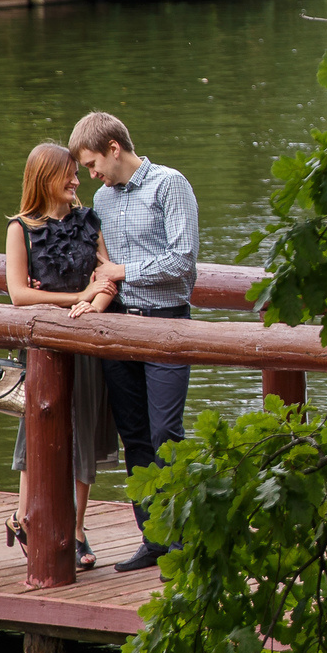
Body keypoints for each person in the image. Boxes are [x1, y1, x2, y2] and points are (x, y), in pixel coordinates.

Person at [71, 110, 200, 573]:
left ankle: (183, 540)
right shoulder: (103, 200)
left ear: (113, 148)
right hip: (119, 324)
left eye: (91, 164)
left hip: (167, 324)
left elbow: (182, 261)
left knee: (167, 433)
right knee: (135, 436)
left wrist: (121, 271)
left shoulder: (170, 185)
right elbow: (96, 262)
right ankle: (154, 541)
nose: (90, 175)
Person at [2, 142, 121, 578]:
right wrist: (79, 297)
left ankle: (76, 526)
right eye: (68, 173)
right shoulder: (21, 229)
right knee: (38, 430)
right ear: (44, 177)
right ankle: (27, 516)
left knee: (85, 432)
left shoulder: (90, 222)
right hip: (44, 347)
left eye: (77, 172)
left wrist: (96, 304)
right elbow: (19, 294)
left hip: (87, 343)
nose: (76, 180)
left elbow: (107, 276)